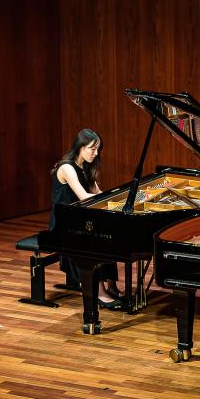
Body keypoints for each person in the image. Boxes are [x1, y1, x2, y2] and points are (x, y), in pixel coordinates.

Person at [49, 128, 123, 310]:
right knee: (94, 242)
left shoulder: (86, 167)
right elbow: (84, 196)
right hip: (64, 223)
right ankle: (100, 292)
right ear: (80, 147)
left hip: (79, 219)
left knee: (108, 233)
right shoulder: (67, 167)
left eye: (98, 149)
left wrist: (121, 199)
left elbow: (98, 193)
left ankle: (111, 285)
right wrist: (108, 201)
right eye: (92, 149)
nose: (96, 153)